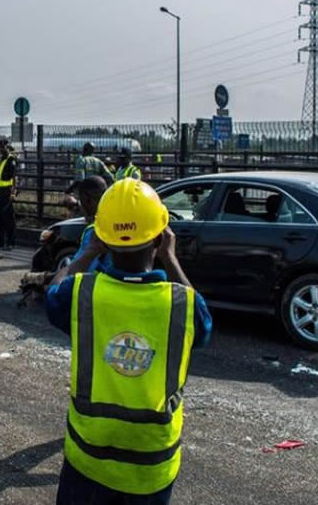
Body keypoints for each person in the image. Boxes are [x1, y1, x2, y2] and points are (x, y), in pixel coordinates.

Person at [45, 179, 212, 504]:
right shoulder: (183, 305)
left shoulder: (82, 294)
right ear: (160, 237)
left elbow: (53, 291)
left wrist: (88, 251)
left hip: (88, 457)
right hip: (152, 466)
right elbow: (203, 327)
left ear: (103, 238)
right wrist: (171, 258)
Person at [0, 138, 18, 250]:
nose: (0, 149)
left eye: (2, 147)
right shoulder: (2, 159)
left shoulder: (11, 159)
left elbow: (15, 177)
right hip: (0, 191)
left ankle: (11, 242)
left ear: (7, 147)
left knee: (9, 218)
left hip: (7, 191)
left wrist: (13, 192)